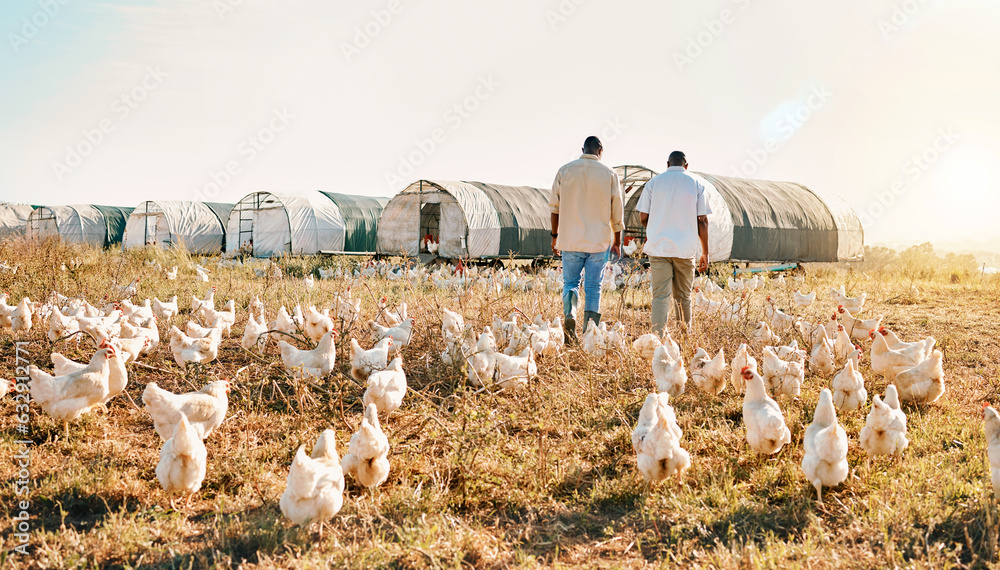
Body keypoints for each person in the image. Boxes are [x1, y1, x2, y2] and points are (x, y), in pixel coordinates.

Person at [549, 136, 625, 343]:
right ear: (601, 151)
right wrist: (617, 241)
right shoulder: (610, 174)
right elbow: (617, 211)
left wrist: (554, 236)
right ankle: (589, 333)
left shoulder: (565, 170)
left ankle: (570, 313)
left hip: (570, 240)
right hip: (598, 242)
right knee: (593, 287)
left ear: (582, 149)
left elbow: (554, 208)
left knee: (571, 282)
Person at [637, 150, 710, 335]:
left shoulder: (653, 183)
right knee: (683, 297)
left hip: (659, 249)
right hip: (685, 250)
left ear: (667, 164)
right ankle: (685, 338)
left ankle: (657, 339)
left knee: (660, 296)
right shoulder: (697, 184)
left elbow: (643, 217)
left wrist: (654, 228)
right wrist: (705, 252)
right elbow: (702, 220)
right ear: (686, 166)